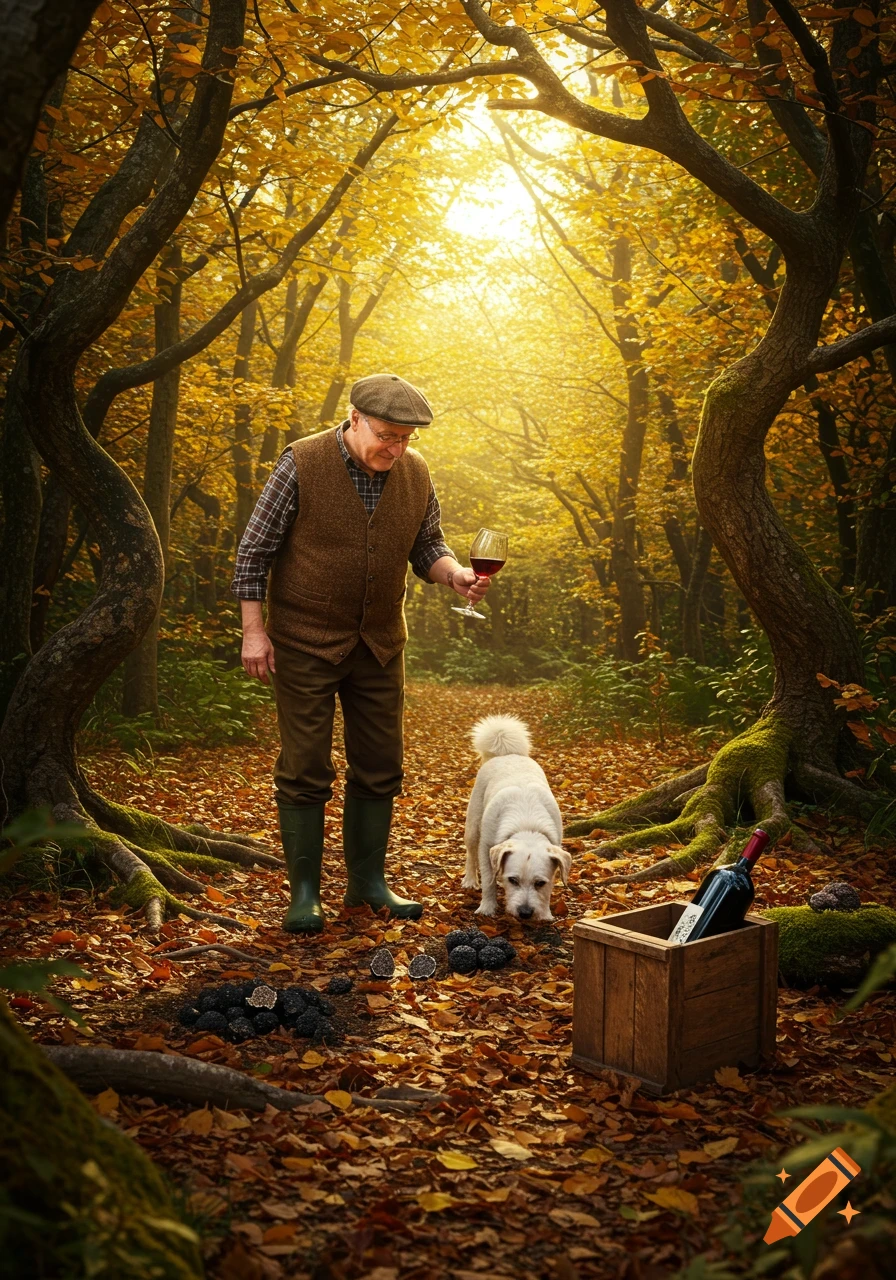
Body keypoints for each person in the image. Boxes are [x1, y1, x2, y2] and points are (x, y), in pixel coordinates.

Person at [231, 372, 490, 932]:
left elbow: (428, 547)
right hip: (303, 643)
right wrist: (255, 632)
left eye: (407, 439)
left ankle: (367, 885)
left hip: (379, 644)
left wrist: (455, 577)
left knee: (380, 767)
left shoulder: (416, 474)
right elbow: (253, 553)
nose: (396, 449)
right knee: (304, 769)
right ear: (354, 419)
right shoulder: (300, 463)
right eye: (388, 435)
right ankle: (304, 894)